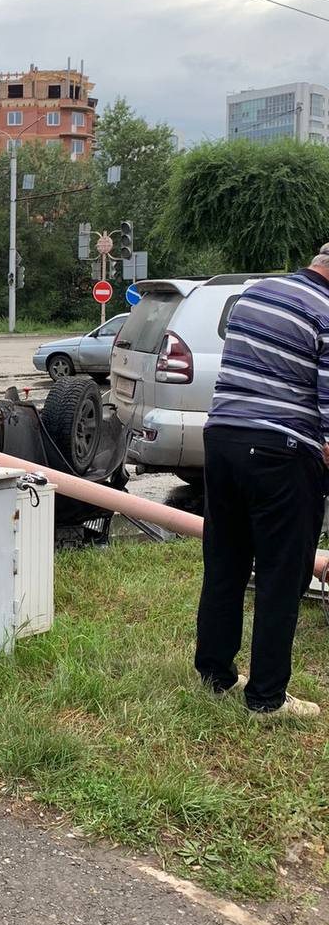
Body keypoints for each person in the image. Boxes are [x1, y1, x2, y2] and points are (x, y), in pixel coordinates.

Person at [194, 245, 329, 718]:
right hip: (282, 454)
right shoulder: (327, 314)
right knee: (281, 576)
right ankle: (267, 698)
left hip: (222, 440)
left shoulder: (257, 293)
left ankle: (214, 674)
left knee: (226, 561)